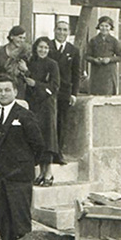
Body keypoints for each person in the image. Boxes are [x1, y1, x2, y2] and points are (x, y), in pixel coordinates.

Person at [0, 74, 45, 240]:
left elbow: (38, 145)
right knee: (3, 218)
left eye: (7, 90)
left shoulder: (24, 115)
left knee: (20, 219)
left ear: (15, 92)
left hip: (19, 177)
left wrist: (23, 164)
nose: (3, 94)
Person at [26, 37, 61, 186]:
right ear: (35, 48)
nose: (43, 50)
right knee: (38, 137)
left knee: (48, 137)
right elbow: (27, 82)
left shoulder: (52, 65)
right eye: (40, 47)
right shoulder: (31, 63)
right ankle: (40, 172)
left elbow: (54, 86)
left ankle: (49, 173)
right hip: (34, 104)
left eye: (46, 48)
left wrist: (37, 85)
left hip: (47, 105)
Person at [49, 19, 81, 157]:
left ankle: (58, 152)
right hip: (48, 89)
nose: (61, 32)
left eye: (64, 30)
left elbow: (76, 73)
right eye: (59, 29)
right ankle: (47, 151)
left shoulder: (73, 50)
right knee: (49, 120)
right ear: (54, 30)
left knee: (62, 121)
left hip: (64, 90)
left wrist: (74, 93)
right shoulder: (47, 46)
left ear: (68, 33)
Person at [87, 15, 121, 95]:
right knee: (95, 94)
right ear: (99, 27)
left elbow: (120, 57)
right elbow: (87, 56)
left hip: (109, 73)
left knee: (108, 95)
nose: (104, 28)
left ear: (110, 27)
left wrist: (109, 59)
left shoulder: (114, 41)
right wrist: (94, 60)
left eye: (107, 26)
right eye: (102, 26)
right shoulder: (93, 41)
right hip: (96, 72)